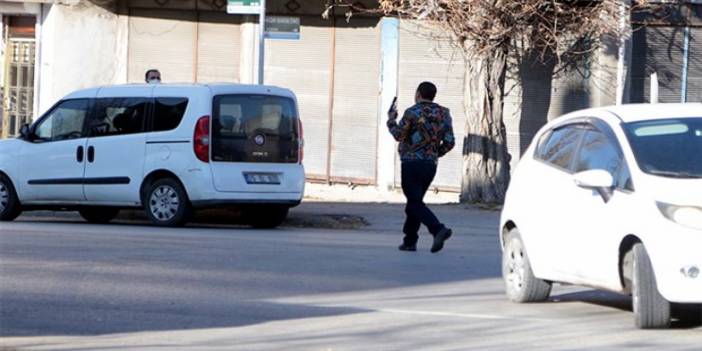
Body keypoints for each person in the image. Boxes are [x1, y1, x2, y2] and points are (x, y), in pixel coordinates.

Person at [387, 82, 455, 253]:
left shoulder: (412, 112)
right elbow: (450, 141)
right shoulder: (444, 113)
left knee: (415, 202)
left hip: (411, 163)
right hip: (430, 165)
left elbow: (399, 135)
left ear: (418, 94)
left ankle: (438, 229)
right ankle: (410, 241)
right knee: (414, 202)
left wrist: (391, 121)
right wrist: (435, 153)